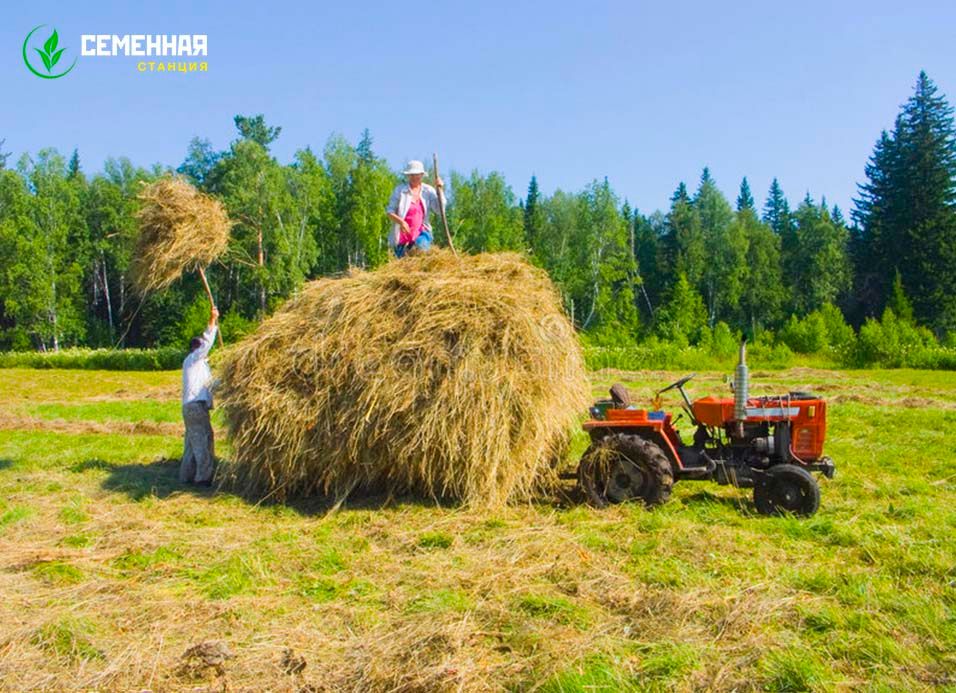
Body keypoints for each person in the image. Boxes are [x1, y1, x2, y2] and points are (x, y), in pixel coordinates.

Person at [180, 304, 219, 486]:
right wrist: (212, 320)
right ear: (195, 349)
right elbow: (207, 342)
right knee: (203, 440)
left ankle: (187, 475)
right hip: (195, 407)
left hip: (193, 407)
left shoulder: (200, 366)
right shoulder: (193, 359)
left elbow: (211, 384)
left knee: (192, 441)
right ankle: (203, 478)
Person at [385, 160, 446, 258]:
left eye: (417, 174)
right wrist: (401, 222)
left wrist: (440, 190)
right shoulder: (400, 191)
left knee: (421, 248)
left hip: (422, 232)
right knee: (404, 264)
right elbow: (389, 212)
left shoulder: (428, 191)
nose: (414, 177)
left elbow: (440, 210)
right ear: (408, 176)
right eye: (411, 175)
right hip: (403, 235)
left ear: (422, 175)